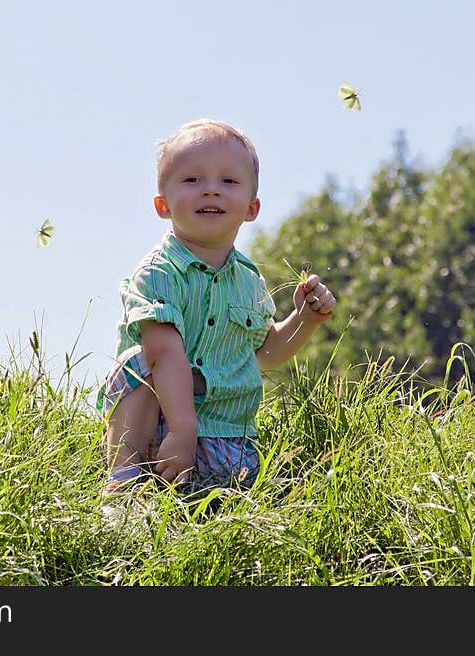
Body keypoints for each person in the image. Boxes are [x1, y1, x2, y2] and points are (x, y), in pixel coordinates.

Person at [97, 119, 336, 495]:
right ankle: (124, 485)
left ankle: (205, 491)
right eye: (192, 180)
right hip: (159, 428)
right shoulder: (158, 273)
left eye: (228, 181)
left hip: (226, 436)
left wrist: (304, 321)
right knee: (139, 363)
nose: (211, 191)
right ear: (163, 205)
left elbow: (261, 354)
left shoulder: (249, 281)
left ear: (251, 208)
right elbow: (163, 352)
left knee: (226, 504)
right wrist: (181, 430)